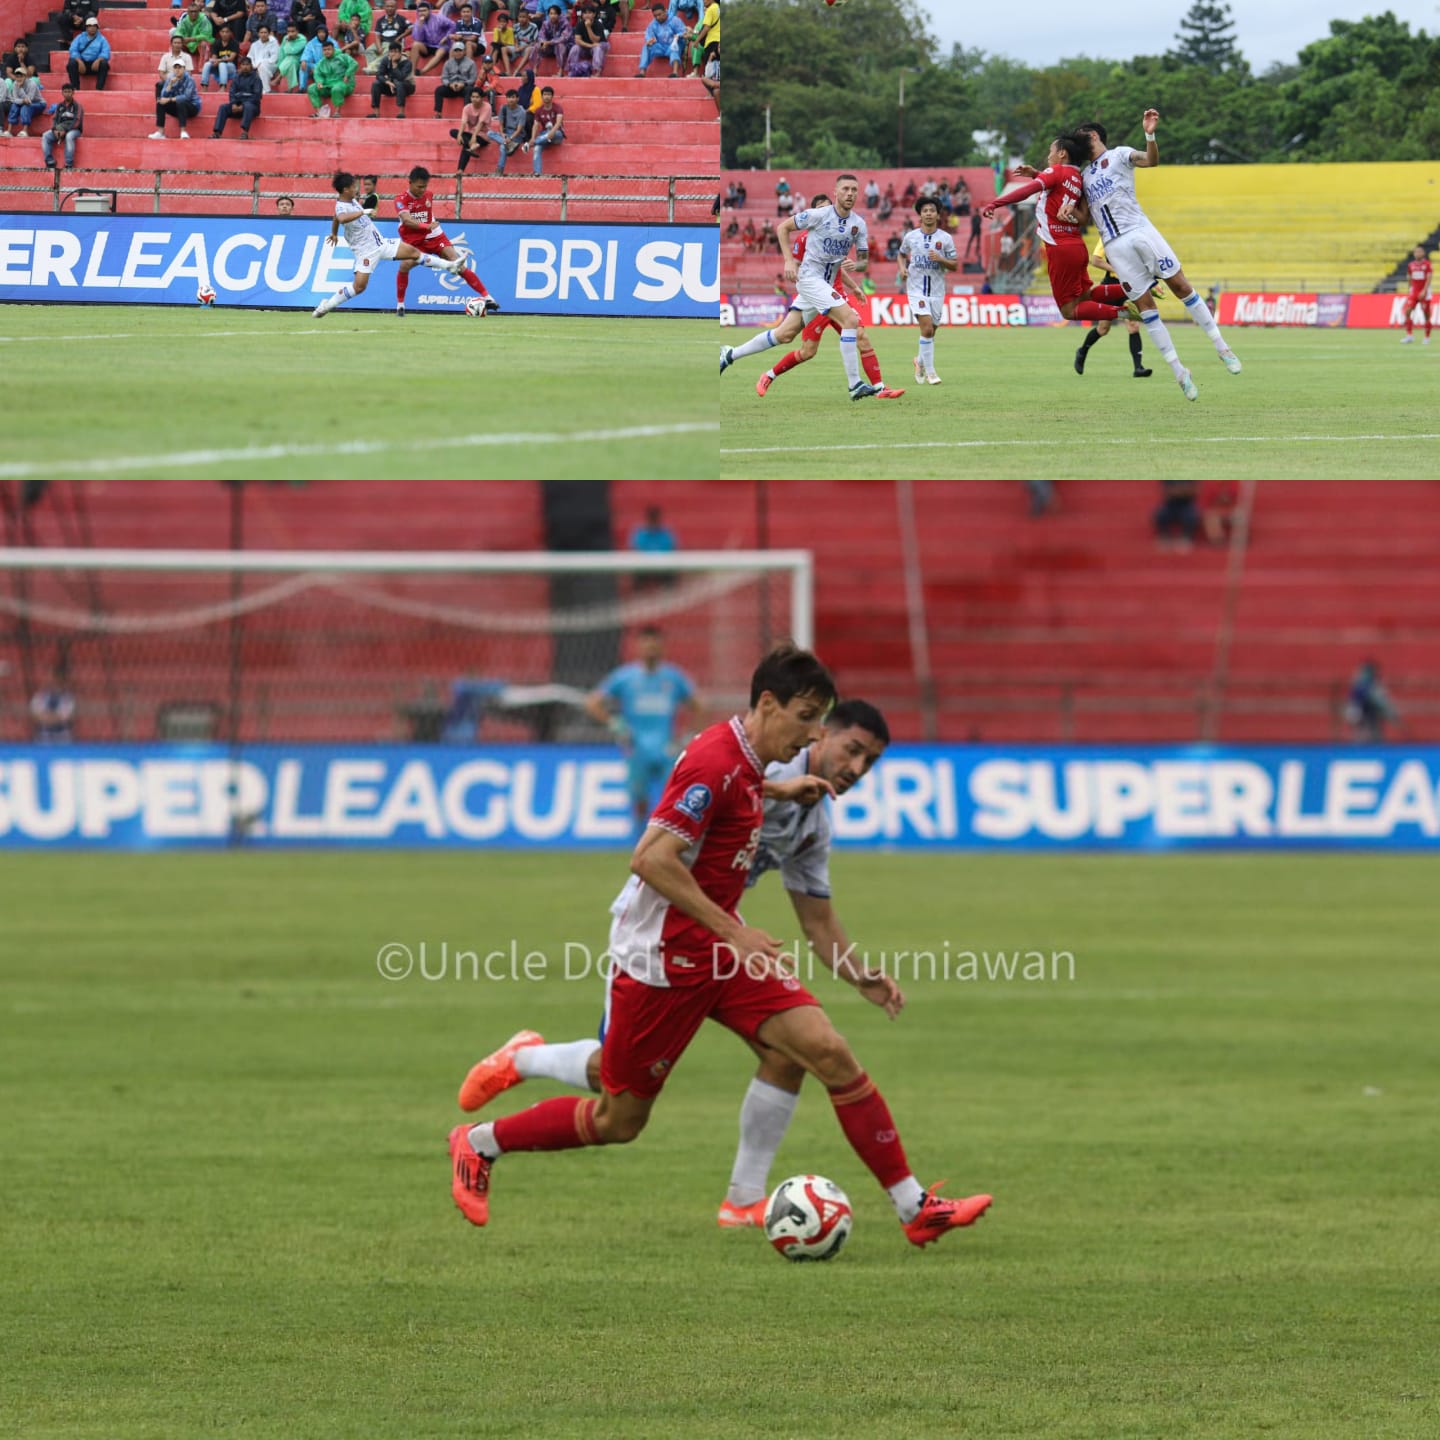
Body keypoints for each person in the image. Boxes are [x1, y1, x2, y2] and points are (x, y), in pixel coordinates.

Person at [448, 644, 994, 1249]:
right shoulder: (715, 759)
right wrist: (735, 931)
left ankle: (910, 1207)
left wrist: (853, 970)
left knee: (823, 1050)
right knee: (618, 1117)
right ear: (768, 704)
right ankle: (480, 1142)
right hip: (662, 955)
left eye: (821, 722)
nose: (815, 735)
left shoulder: (764, 771)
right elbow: (650, 858)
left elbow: (796, 884)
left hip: (720, 947)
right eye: (808, 719)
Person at [1073, 113, 1241, 401]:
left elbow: (1151, 160)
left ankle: (1222, 347)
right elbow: (1084, 217)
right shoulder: (1084, 176)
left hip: (1140, 231)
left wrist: (1149, 135)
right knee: (1146, 309)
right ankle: (1179, 372)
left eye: (1081, 136)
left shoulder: (1119, 155)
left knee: (1180, 286)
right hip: (1114, 246)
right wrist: (1067, 211)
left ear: (1094, 136)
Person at [984, 133, 1134, 333]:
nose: (1049, 156)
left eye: (1051, 151)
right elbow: (1059, 188)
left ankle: (1124, 312)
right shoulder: (1078, 177)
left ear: (1062, 153)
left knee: (1069, 311)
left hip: (1059, 248)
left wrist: (996, 203)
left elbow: (1028, 191)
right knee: (1086, 296)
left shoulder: (1055, 171)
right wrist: (1037, 174)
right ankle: (1136, 287)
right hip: (1076, 246)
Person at [774, 174, 883, 401]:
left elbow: (853, 263)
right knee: (804, 349)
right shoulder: (805, 238)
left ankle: (878, 388)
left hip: (836, 295)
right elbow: (796, 261)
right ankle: (769, 374)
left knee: (860, 334)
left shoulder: (853, 225)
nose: (850, 193)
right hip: (815, 295)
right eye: (845, 189)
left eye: (854, 189)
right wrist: (790, 265)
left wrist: (855, 280)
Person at [582, 624, 698, 831]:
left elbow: (699, 706)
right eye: (646, 644)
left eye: (655, 644)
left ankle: (669, 839)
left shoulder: (673, 677)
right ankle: (638, 836)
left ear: (662, 647)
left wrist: (687, 736)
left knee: (673, 801)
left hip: (667, 749)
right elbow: (592, 702)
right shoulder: (625, 677)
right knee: (639, 800)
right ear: (638, 647)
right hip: (636, 748)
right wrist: (614, 723)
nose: (650, 648)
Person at [314, 170, 465, 317]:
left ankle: (450, 266)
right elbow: (341, 218)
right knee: (359, 287)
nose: (356, 189)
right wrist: (363, 212)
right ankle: (327, 305)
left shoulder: (351, 200)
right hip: (366, 251)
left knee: (414, 253)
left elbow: (336, 218)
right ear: (345, 190)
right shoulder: (341, 206)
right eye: (353, 187)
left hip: (381, 243)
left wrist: (334, 233)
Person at [392, 163, 499, 315]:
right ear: (410, 183)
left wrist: (429, 228)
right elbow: (407, 220)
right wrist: (426, 226)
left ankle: (488, 298)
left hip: (435, 236)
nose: (422, 190)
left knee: (457, 263)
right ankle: (400, 306)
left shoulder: (428, 195)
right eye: (419, 187)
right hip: (415, 242)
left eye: (424, 186)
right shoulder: (400, 200)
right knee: (404, 266)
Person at [897, 196, 958, 386]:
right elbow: (901, 254)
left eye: (932, 211)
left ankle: (919, 361)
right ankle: (931, 373)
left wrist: (941, 259)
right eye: (925, 211)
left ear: (938, 215)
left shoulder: (945, 239)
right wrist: (902, 268)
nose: (929, 214)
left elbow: (954, 265)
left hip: (937, 291)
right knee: (927, 329)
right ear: (920, 215)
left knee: (930, 333)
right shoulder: (911, 236)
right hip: (916, 289)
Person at [1076, 235, 1152, 378]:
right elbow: (1095, 260)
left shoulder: (1133, 236)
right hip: (1111, 286)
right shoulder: (1106, 236)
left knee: (1133, 325)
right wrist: (1116, 269)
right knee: (1103, 329)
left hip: (1128, 286)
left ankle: (1138, 368)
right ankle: (1082, 351)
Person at [1345, 661, 1398, 742]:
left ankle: (1371, 737)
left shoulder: (1373, 684)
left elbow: (1380, 701)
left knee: (1375, 718)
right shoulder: (1361, 684)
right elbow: (1375, 700)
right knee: (1362, 722)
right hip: (1358, 711)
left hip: (1368, 712)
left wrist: (1390, 713)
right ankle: (1365, 738)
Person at [210, 52, 261, 135]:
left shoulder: (256, 78)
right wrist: (233, 104)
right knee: (223, 107)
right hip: (237, 106)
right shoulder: (237, 78)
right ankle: (217, 132)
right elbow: (232, 92)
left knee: (248, 106)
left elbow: (257, 96)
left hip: (252, 107)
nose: (245, 67)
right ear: (240, 66)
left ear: (251, 66)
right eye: (243, 65)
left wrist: (242, 106)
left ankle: (245, 132)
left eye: (247, 65)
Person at [307, 38, 356, 116]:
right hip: (328, 85)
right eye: (324, 50)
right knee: (312, 88)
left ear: (333, 49)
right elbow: (317, 73)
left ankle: (337, 112)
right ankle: (319, 113)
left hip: (343, 84)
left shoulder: (342, 57)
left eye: (329, 49)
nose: (327, 51)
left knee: (337, 88)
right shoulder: (321, 62)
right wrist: (319, 82)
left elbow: (354, 64)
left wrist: (347, 74)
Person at [150, 62, 200, 137]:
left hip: (192, 107)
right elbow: (163, 95)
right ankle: (160, 132)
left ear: (184, 69)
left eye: (179, 67)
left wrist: (169, 99)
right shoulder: (171, 78)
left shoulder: (189, 79)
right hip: (178, 107)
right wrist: (170, 84)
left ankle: (183, 132)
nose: (177, 70)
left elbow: (187, 97)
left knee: (180, 101)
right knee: (160, 102)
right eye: (175, 68)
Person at [486, 85, 526, 172]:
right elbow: (501, 125)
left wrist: (510, 138)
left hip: (517, 136)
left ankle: (499, 169)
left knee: (502, 147)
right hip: (506, 133)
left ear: (517, 99)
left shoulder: (522, 111)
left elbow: (519, 129)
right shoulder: (503, 108)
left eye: (513, 97)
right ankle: (510, 144)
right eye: (508, 97)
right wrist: (502, 134)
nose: (511, 100)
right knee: (489, 133)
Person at [41, 83, 83, 167]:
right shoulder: (59, 106)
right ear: (62, 93)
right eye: (65, 92)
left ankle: (68, 163)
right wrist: (55, 130)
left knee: (69, 136)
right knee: (45, 136)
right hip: (60, 129)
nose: (67, 94)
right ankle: (50, 161)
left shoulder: (78, 106)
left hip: (74, 130)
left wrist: (66, 131)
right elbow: (55, 119)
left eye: (69, 92)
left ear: (73, 93)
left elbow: (77, 122)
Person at [368, 38, 413, 115]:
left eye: (396, 52)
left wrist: (394, 65)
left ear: (400, 53)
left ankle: (401, 113)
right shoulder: (385, 60)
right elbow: (379, 74)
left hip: (407, 86)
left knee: (399, 83)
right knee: (376, 84)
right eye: (391, 52)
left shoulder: (407, 62)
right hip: (391, 85)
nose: (393, 54)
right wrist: (387, 82)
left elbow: (401, 78)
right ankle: (376, 112)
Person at [636, 1, 683, 76]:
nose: (657, 17)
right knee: (646, 46)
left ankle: (675, 73)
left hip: (673, 45)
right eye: (655, 16)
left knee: (675, 46)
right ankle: (642, 72)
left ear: (665, 11)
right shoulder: (653, 24)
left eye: (659, 14)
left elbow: (683, 31)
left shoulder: (675, 20)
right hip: (660, 47)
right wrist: (650, 40)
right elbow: (649, 35)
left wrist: (678, 36)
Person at [1153, 479, 1201, 550]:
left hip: (1187, 504)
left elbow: (1195, 489)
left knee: (1192, 515)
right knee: (1160, 514)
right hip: (1170, 505)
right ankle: (1164, 537)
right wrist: (1183, 490)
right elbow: (1165, 491)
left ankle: (1186, 537)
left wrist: (1177, 490)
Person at [450, 84, 490, 169]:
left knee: (466, 144)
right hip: (470, 134)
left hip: (483, 136)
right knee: (453, 132)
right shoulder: (467, 108)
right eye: (473, 97)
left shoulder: (487, 106)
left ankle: (460, 170)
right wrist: (459, 135)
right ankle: (473, 145)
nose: (474, 99)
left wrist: (474, 137)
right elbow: (463, 123)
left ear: (482, 98)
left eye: (477, 97)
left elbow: (481, 123)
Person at [1399, 245, 1432, 345]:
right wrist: (1410, 288)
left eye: (1419, 252)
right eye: (1416, 252)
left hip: (1424, 292)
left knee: (1426, 315)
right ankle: (1409, 335)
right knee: (1407, 311)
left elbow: (1429, 278)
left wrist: (1424, 290)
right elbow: (1409, 276)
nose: (1418, 254)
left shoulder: (1427, 264)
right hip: (1414, 292)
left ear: (1423, 253)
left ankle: (1427, 337)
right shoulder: (1411, 265)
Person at [66, 18, 110, 92]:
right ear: (86, 27)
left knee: (104, 64)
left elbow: (106, 52)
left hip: (95, 65)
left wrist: (98, 60)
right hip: (82, 65)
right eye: (90, 26)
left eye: (94, 26)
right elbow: (73, 50)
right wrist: (79, 61)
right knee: (72, 63)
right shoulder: (79, 37)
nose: (92, 28)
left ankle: (99, 89)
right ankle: (75, 88)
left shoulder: (102, 39)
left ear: (97, 27)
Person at [411, 1, 457, 73]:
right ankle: (412, 72)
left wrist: (446, 37)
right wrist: (420, 26)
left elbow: (453, 25)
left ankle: (422, 71)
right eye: (420, 11)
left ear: (429, 11)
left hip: (441, 44)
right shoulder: (418, 22)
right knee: (415, 44)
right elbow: (418, 39)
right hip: (427, 45)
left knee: (441, 52)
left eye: (424, 11)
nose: (422, 13)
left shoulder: (439, 18)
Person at [432, 39, 475, 114]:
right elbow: (444, 77)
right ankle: (438, 113)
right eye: (456, 51)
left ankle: (467, 113)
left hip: (464, 87)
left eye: (460, 51)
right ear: (453, 52)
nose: (458, 53)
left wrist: (463, 84)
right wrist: (449, 84)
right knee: (439, 90)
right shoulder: (448, 63)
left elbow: (473, 78)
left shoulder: (471, 63)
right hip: (451, 87)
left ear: (464, 51)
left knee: (470, 90)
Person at [528, 84, 562, 174]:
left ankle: (531, 143)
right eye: (545, 94)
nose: (546, 97)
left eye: (549, 94)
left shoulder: (558, 108)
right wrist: (532, 137)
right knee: (537, 148)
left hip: (556, 134)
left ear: (552, 96)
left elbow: (558, 123)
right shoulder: (539, 110)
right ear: (542, 96)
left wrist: (552, 132)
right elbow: (535, 125)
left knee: (555, 133)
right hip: (544, 136)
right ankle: (537, 173)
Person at [568, 0, 607, 75]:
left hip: (597, 47)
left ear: (594, 14)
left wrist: (588, 27)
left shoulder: (598, 24)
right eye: (585, 13)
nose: (587, 15)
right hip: (586, 47)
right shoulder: (579, 24)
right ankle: (571, 70)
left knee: (597, 48)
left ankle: (597, 72)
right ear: (582, 15)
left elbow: (595, 41)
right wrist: (590, 45)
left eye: (589, 13)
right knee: (575, 48)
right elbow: (577, 40)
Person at [5, 67, 43, 136]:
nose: (19, 78)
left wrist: (20, 89)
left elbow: (29, 100)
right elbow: (14, 99)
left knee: (25, 107)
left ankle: (25, 131)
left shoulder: (32, 84)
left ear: (25, 76)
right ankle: (9, 131)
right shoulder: (15, 84)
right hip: (23, 102)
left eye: (21, 76)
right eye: (17, 76)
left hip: (38, 103)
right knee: (14, 106)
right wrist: (22, 101)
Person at [535, 5, 571, 74]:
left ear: (559, 15)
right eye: (551, 14)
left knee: (560, 46)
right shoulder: (546, 23)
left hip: (565, 47)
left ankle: (560, 71)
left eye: (555, 14)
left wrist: (549, 42)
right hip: (550, 46)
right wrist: (543, 42)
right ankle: (535, 70)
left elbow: (564, 38)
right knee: (538, 45)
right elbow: (541, 35)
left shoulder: (565, 23)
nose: (553, 16)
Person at [274, 21, 306, 89]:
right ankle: (290, 88)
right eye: (288, 31)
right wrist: (278, 66)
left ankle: (278, 78)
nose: (290, 34)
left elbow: (292, 51)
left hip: (299, 61)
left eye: (292, 31)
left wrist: (288, 42)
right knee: (291, 63)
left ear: (297, 32)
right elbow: (282, 52)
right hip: (289, 62)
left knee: (291, 58)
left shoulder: (302, 40)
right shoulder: (285, 38)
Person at [248, 24, 280, 92]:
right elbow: (250, 57)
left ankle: (266, 90)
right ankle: (266, 90)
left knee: (262, 67)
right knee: (259, 68)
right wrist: (254, 66)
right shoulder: (254, 44)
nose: (263, 34)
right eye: (261, 32)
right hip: (256, 67)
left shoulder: (274, 43)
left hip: (271, 66)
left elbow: (274, 58)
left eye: (265, 32)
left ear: (269, 33)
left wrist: (260, 64)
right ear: (258, 34)